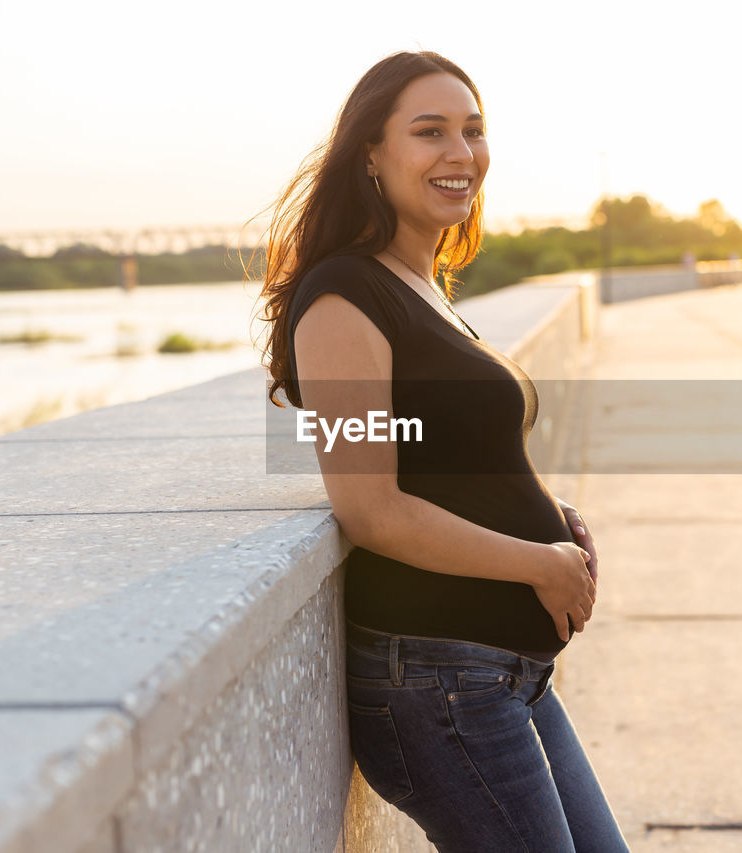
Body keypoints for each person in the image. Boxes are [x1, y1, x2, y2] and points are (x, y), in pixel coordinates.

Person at [257, 50, 629, 851]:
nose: (460, 153)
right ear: (370, 154)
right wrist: (537, 562)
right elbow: (370, 507)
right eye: (429, 132)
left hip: (504, 676)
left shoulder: (423, 283)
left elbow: (448, 452)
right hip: (438, 683)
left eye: (473, 130)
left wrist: (551, 521)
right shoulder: (342, 297)